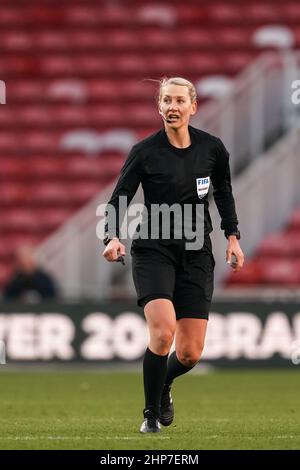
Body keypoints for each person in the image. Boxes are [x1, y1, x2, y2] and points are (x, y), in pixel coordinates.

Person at [102, 77, 244, 433]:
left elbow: (223, 192)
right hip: (154, 250)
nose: (172, 107)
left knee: (189, 354)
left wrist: (232, 236)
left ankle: (164, 384)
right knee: (163, 334)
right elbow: (121, 196)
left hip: (197, 253)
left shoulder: (212, 149)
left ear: (193, 106)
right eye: (166, 100)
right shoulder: (145, 151)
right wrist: (112, 236)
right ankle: (150, 415)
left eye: (180, 100)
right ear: (159, 106)